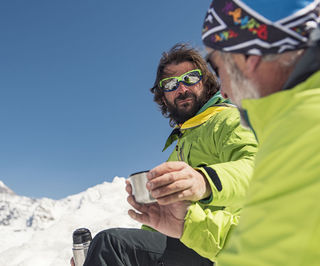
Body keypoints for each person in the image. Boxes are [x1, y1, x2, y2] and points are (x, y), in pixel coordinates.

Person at [78, 43, 258, 265]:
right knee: (109, 249)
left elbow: (255, 168)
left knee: (111, 244)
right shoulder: (181, 146)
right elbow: (160, 222)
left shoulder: (228, 119)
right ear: (163, 97)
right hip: (192, 239)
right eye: (171, 84)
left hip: (229, 241)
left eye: (190, 78)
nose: (182, 88)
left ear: (206, 82)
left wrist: (204, 180)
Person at [201, 0, 320, 265]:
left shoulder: (301, 131)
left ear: (247, 57)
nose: (221, 91)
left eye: (218, 67)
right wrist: (187, 225)